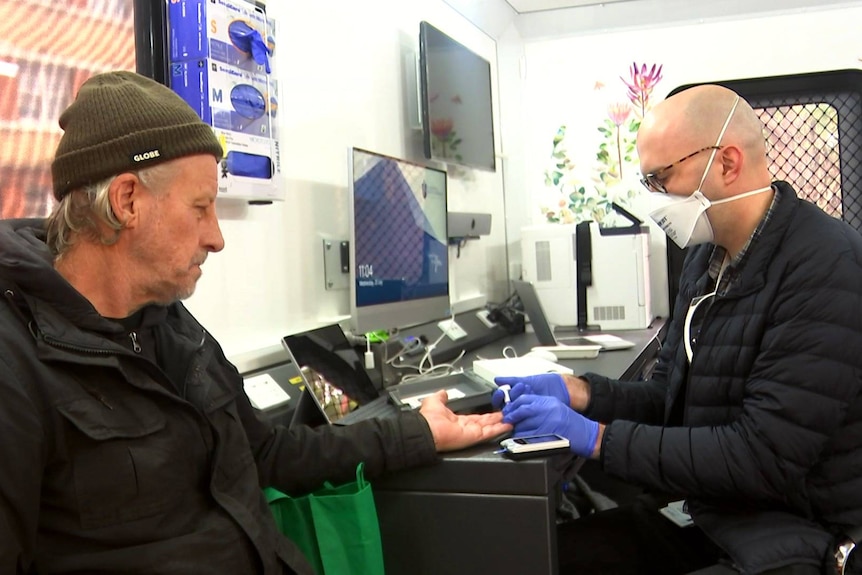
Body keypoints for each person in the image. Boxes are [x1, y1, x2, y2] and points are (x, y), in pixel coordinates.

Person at [0, 71, 510, 574]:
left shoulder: (172, 327)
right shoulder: (16, 360)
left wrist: (415, 433)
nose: (216, 237)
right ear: (127, 201)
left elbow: (268, 452)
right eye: (200, 208)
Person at [494, 85, 862, 574]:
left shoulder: (824, 264)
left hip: (796, 532)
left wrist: (597, 438)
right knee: (545, 555)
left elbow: (763, 456)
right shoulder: (705, 259)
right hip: (717, 509)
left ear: (727, 164)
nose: (656, 200)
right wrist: (578, 392)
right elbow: (668, 398)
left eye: (661, 178)